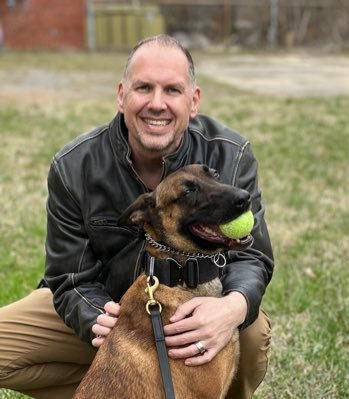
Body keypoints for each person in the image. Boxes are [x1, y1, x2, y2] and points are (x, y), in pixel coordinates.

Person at [0, 34, 274, 399]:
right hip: (108, 307)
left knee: (251, 334)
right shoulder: (74, 165)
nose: (156, 104)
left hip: (196, 302)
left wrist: (232, 307)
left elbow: (253, 256)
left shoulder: (230, 154)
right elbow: (68, 277)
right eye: (143, 88)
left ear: (193, 101)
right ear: (121, 96)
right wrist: (98, 318)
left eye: (172, 90)